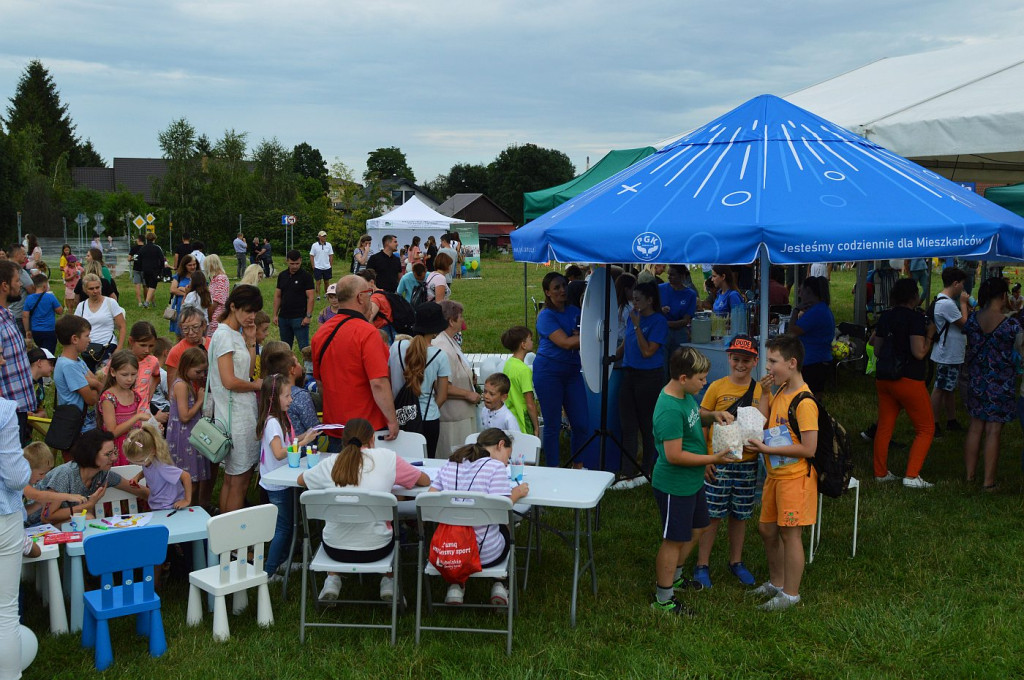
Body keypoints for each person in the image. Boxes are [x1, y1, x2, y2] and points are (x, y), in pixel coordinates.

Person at [298, 418, 430, 601]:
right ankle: (388, 583)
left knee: (340, 526)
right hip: (377, 548)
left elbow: (301, 480)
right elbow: (424, 481)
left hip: (334, 549)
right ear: (372, 440)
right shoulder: (387, 458)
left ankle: (332, 580)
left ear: (344, 442)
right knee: (388, 530)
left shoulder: (331, 463)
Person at [649, 347, 736, 616]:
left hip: (692, 481)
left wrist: (712, 416)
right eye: (701, 379)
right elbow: (674, 456)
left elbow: (694, 419)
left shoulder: (685, 395)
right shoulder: (669, 410)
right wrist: (713, 458)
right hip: (675, 484)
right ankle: (663, 599)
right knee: (673, 540)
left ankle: (675, 577)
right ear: (683, 377)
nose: (705, 383)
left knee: (698, 527)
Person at [746, 334, 819, 611]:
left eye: (773, 362)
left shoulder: (804, 402)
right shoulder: (778, 391)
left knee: (790, 535)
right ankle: (776, 582)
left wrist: (767, 451)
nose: (767, 368)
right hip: (775, 477)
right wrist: (764, 393)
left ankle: (791, 594)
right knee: (766, 529)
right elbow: (761, 421)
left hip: (795, 479)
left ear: (791, 363)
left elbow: (809, 449)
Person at [427, 428, 528, 606]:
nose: (507, 463)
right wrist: (517, 493)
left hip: (449, 551)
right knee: (505, 526)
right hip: (486, 554)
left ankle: (456, 584)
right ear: (500, 445)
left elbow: (430, 500)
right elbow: (501, 509)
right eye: (508, 456)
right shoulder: (495, 468)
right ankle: (500, 582)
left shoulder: (452, 463)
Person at [692, 335, 763, 589]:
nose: (740, 365)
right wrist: (704, 458)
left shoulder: (759, 390)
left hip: (747, 463)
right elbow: (701, 419)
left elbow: (763, 420)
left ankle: (736, 561)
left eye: (746, 360)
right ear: (728, 358)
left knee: (740, 514)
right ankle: (702, 564)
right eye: (736, 359)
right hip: (717, 462)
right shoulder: (716, 387)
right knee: (712, 515)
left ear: (755, 361)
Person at [312, 276, 400, 449]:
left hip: (336, 427)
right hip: (367, 429)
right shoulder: (368, 333)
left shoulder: (321, 334)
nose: (371, 297)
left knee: (340, 475)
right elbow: (379, 383)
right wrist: (392, 420)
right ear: (360, 297)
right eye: (369, 293)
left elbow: (320, 383)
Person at [869, 278, 936, 489]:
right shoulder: (915, 319)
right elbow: (919, 352)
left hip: (884, 379)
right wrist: (931, 336)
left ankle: (880, 472)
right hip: (908, 379)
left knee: (885, 426)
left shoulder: (886, 316)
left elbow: (877, 349)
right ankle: (912, 475)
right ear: (914, 296)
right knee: (926, 428)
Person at [257, 373, 319, 580]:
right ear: (273, 399)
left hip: (281, 478)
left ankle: (284, 561)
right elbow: (279, 452)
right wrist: (303, 443)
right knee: (283, 527)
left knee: (289, 523)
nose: (291, 400)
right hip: (276, 483)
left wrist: (307, 434)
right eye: (287, 396)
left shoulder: (279, 419)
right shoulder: (273, 422)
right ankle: (269, 570)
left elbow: (287, 442)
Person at [963, 277, 1022, 490]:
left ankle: (969, 476)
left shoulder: (972, 319)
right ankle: (988, 482)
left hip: (977, 379)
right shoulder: (1010, 325)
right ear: (1004, 296)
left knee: (975, 427)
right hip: (1001, 382)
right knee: (994, 430)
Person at [209, 284, 264, 514]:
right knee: (238, 480)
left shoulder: (236, 334)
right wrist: (256, 386)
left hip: (242, 412)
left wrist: (251, 342)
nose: (252, 316)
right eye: (248, 311)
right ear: (233, 306)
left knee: (235, 478)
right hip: (234, 416)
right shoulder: (223, 336)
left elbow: (246, 372)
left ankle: (228, 541)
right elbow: (229, 380)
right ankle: (233, 542)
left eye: (255, 312)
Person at [28, 429, 148, 525]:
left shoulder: (103, 475)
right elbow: (46, 516)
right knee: (87, 519)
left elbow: (139, 491)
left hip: (57, 525)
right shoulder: (65, 474)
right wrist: (88, 505)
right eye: (108, 454)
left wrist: (164, 501)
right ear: (91, 454)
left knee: (87, 519)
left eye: (114, 452)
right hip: (35, 526)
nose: (114, 458)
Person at [533, 272, 590, 467]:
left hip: (572, 373)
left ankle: (577, 465)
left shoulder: (575, 310)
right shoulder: (545, 316)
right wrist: (584, 336)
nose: (562, 290)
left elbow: (582, 334)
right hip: (548, 373)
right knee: (552, 425)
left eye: (564, 285)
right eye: (556, 287)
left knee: (581, 424)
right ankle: (553, 469)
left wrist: (581, 336)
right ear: (547, 292)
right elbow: (565, 342)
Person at [616, 280, 668, 478]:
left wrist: (638, 327)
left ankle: (647, 469)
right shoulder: (632, 318)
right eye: (633, 299)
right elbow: (626, 344)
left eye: (638, 299)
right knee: (627, 425)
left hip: (649, 376)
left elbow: (647, 351)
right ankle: (627, 471)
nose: (634, 302)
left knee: (647, 425)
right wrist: (614, 357)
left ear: (650, 300)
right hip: (629, 373)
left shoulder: (658, 322)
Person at [389, 302, 451, 458]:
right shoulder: (440, 356)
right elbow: (442, 395)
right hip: (428, 418)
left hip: (402, 415)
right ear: (436, 331)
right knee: (427, 461)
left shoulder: (397, 347)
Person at [0, 396, 32, 677]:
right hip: (3, 516)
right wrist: (26, 468)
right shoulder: (3, 410)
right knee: (5, 612)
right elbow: (15, 477)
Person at [432, 300, 481, 456]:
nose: (463, 320)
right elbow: (441, 386)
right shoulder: (441, 346)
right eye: (460, 317)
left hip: (461, 414)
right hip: (452, 417)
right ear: (451, 321)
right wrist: (468, 394)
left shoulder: (449, 341)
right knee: (456, 457)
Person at [166, 347, 212, 509]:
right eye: (198, 371)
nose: (202, 375)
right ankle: (189, 513)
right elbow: (184, 416)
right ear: (186, 367)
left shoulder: (187, 383)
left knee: (196, 480)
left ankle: (196, 511)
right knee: (189, 482)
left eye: (204, 371)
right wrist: (200, 400)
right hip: (184, 439)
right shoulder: (181, 386)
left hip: (191, 437)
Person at [929, 267, 970, 438]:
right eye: (962, 285)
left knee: (948, 388)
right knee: (940, 388)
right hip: (948, 354)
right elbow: (965, 324)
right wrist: (963, 304)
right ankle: (933, 423)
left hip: (950, 353)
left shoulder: (942, 301)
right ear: (955, 284)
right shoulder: (946, 303)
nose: (963, 289)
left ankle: (951, 420)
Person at [0, 260, 37, 445]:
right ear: (5, 286)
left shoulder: (6, 315)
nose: (21, 284)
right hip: (7, 413)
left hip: (18, 407)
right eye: (17, 280)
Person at [124, 424, 192, 510]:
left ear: (152, 451)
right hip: (158, 504)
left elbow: (186, 476)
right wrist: (138, 477)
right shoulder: (147, 461)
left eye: (140, 461)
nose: (138, 464)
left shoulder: (162, 467)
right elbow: (147, 469)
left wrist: (186, 500)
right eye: (132, 461)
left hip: (171, 506)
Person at [98, 350, 147, 465]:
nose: (130, 379)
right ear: (113, 372)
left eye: (133, 374)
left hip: (134, 446)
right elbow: (112, 432)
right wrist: (137, 418)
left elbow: (135, 426)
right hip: (117, 450)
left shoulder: (134, 395)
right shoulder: (108, 398)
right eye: (125, 375)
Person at [54, 314, 101, 434]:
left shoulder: (77, 361)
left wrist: (93, 383)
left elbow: (95, 381)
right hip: (77, 425)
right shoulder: (68, 366)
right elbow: (91, 399)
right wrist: (95, 384)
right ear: (75, 339)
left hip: (83, 419)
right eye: (87, 336)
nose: (90, 340)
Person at [790, 276, 835, 397]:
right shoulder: (821, 308)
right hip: (819, 359)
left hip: (813, 362)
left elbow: (792, 332)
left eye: (801, 291)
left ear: (809, 291)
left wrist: (795, 310)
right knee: (814, 398)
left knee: (808, 398)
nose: (800, 295)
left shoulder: (816, 312)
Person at [75, 273, 127, 370]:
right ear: (85, 290)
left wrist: (119, 348)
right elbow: (75, 329)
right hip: (87, 348)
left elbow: (122, 326)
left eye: (97, 287)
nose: (95, 291)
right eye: (91, 289)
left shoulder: (110, 303)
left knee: (103, 376)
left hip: (107, 346)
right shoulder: (81, 306)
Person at [500, 326, 540, 435]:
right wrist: (536, 427)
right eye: (530, 339)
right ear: (523, 344)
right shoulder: (524, 370)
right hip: (523, 421)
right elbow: (530, 403)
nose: (532, 342)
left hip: (510, 417)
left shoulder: (508, 364)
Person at [273, 250, 315, 351]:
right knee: (285, 349)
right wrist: (275, 314)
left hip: (299, 318)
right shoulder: (282, 275)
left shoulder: (306, 277)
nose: (295, 266)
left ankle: (308, 366)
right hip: (283, 317)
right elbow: (278, 296)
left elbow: (311, 297)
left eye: (297, 263)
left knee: (304, 348)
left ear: (301, 260)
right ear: (287, 261)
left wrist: (308, 316)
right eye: (292, 263)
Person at [164, 307, 208, 388]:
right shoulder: (176, 351)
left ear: (204, 325)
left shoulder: (213, 344)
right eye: (185, 329)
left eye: (195, 327)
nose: (190, 333)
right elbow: (172, 387)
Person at [659, 265, 697, 357]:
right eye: (668, 274)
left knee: (678, 361)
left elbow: (686, 320)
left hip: (680, 332)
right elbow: (650, 309)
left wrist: (667, 323)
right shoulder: (660, 289)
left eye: (672, 275)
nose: (669, 277)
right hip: (662, 331)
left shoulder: (690, 294)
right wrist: (660, 310)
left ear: (682, 276)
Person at [128, 321, 161, 419]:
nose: (147, 350)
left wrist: (149, 394)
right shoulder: (120, 360)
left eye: (151, 346)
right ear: (131, 341)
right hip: (124, 415)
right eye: (143, 345)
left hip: (144, 414)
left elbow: (156, 377)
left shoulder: (153, 361)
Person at [22, 272, 62, 353]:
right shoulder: (50, 297)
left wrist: (27, 330)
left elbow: (25, 316)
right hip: (49, 330)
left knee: (40, 351)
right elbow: (60, 311)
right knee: (49, 353)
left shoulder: (29, 298)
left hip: (36, 330)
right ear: (45, 286)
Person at [6, 245, 36, 335]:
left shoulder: (5, 269)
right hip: (19, 315)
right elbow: (32, 290)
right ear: (16, 255)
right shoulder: (18, 271)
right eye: (23, 254)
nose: (25, 256)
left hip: (8, 312)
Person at [169, 254, 197, 335]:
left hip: (194, 307)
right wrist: (187, 293)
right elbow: (173, 289)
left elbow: (200, 291)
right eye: (190, 265)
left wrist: (182, 289)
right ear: (185, 266)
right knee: (180, 333)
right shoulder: (179, 276)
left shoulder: (198, 276)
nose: (192, 267)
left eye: (194, 264)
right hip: (180, 307)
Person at [137, 232, 165, 308]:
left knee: (149, 286)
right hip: (154, 269)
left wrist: (141, 268)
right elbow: (162, 259)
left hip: (145, 269)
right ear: (154, 239)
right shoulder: (157, 248)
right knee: (153, 286)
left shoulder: (143, 248)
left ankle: (153, 302)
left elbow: (139, 260)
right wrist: (162, 269)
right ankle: (146, 303)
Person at [204, 255, 230, 337]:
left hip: (216, 316)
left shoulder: (221, 279)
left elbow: (216, 301)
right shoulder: (216, 279)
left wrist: (209, 317)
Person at [310, 230, 335, 300]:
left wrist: (330, 264)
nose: (325, 237)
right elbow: (311, 256)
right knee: (318, 282)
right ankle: (318, 295)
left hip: (327, 267)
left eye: (325, 236)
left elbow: (331, 255)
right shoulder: (314, 245)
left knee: (326, 281)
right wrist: (313, 265)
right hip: (318, 266)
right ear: (319, 237)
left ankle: (326, 294)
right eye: (323, 236)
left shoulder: (329, 245)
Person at [129, 234, 145, 305]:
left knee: (137, 286)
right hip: (145, 268)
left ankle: (139, 302)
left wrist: (134, 259)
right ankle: (146, 301)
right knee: (145, 286)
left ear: (138, 240)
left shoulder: (134, 248)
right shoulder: (145, 248)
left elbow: (129, 259)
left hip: (136, 268)